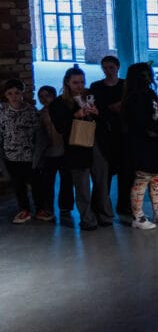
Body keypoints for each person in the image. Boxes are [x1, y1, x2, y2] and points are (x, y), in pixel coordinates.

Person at [122, 63, 158, 230]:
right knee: (142, 178)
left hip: (155, 143)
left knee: (155, 177)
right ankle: (137, 216)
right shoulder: (135, 97)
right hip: (142, 144)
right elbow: (144, 121)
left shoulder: (149, 93)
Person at [48, 66, 99, 231]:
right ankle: (87, 219)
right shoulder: (58, 103)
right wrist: (75, 116)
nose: (80, 86)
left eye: (82, 82)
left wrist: (97, 112)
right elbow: (60, 127)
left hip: (97, 146)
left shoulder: (91, 97)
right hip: (76, 148)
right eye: (75, 82)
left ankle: (100, 214)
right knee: (82, 186)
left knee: (100, 183)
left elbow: (104, 119)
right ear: (67, 83)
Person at [88, 55, 127, 223]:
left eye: (111, 67)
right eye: (105, 67)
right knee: (104, 173)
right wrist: (110, 108)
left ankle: (124, 205)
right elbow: (95, 108)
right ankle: (100, 207)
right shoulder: (96, 86)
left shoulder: (125, 85)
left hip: (122, 133)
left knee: (125, 171)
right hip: (103, 133)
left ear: (117, 67)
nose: (108, 71)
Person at [1, 78, 41, 224]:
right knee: (18, 184)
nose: (14, 96)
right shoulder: (2, 110)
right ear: (6, 95)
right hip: (10, 155)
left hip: (30, 155)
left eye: (17, 93)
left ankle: (40, 208)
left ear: (22, 93)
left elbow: (38, 132)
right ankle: (24, 209)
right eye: (10, 93)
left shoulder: (31, 110)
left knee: (36, 183)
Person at [33, 85, 67, 222]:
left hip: (63, 151)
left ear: (53, 96)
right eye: (41, 96)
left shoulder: (61, 110)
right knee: (48, 183)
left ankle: (65, 206)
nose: (44, 99)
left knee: (66, 181)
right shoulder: (39, 114)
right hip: (48, 154)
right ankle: (48, 207)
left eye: (47, 96)